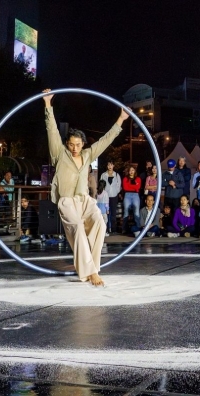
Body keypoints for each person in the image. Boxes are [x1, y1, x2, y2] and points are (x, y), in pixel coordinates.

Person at [44, 89, 126, 286]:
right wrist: (48, 104)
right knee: (78, 228)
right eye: (71, 144)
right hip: (66, 202)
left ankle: (90, 267)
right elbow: (52, 130)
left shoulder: (88, 154)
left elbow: (105, 140)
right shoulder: (59, 154)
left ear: (82, 144)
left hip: (84, 200)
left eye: (78, 144)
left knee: (99, 223)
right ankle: (92, 273)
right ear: (67, 144)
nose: (74, 148)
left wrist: (121, 119)